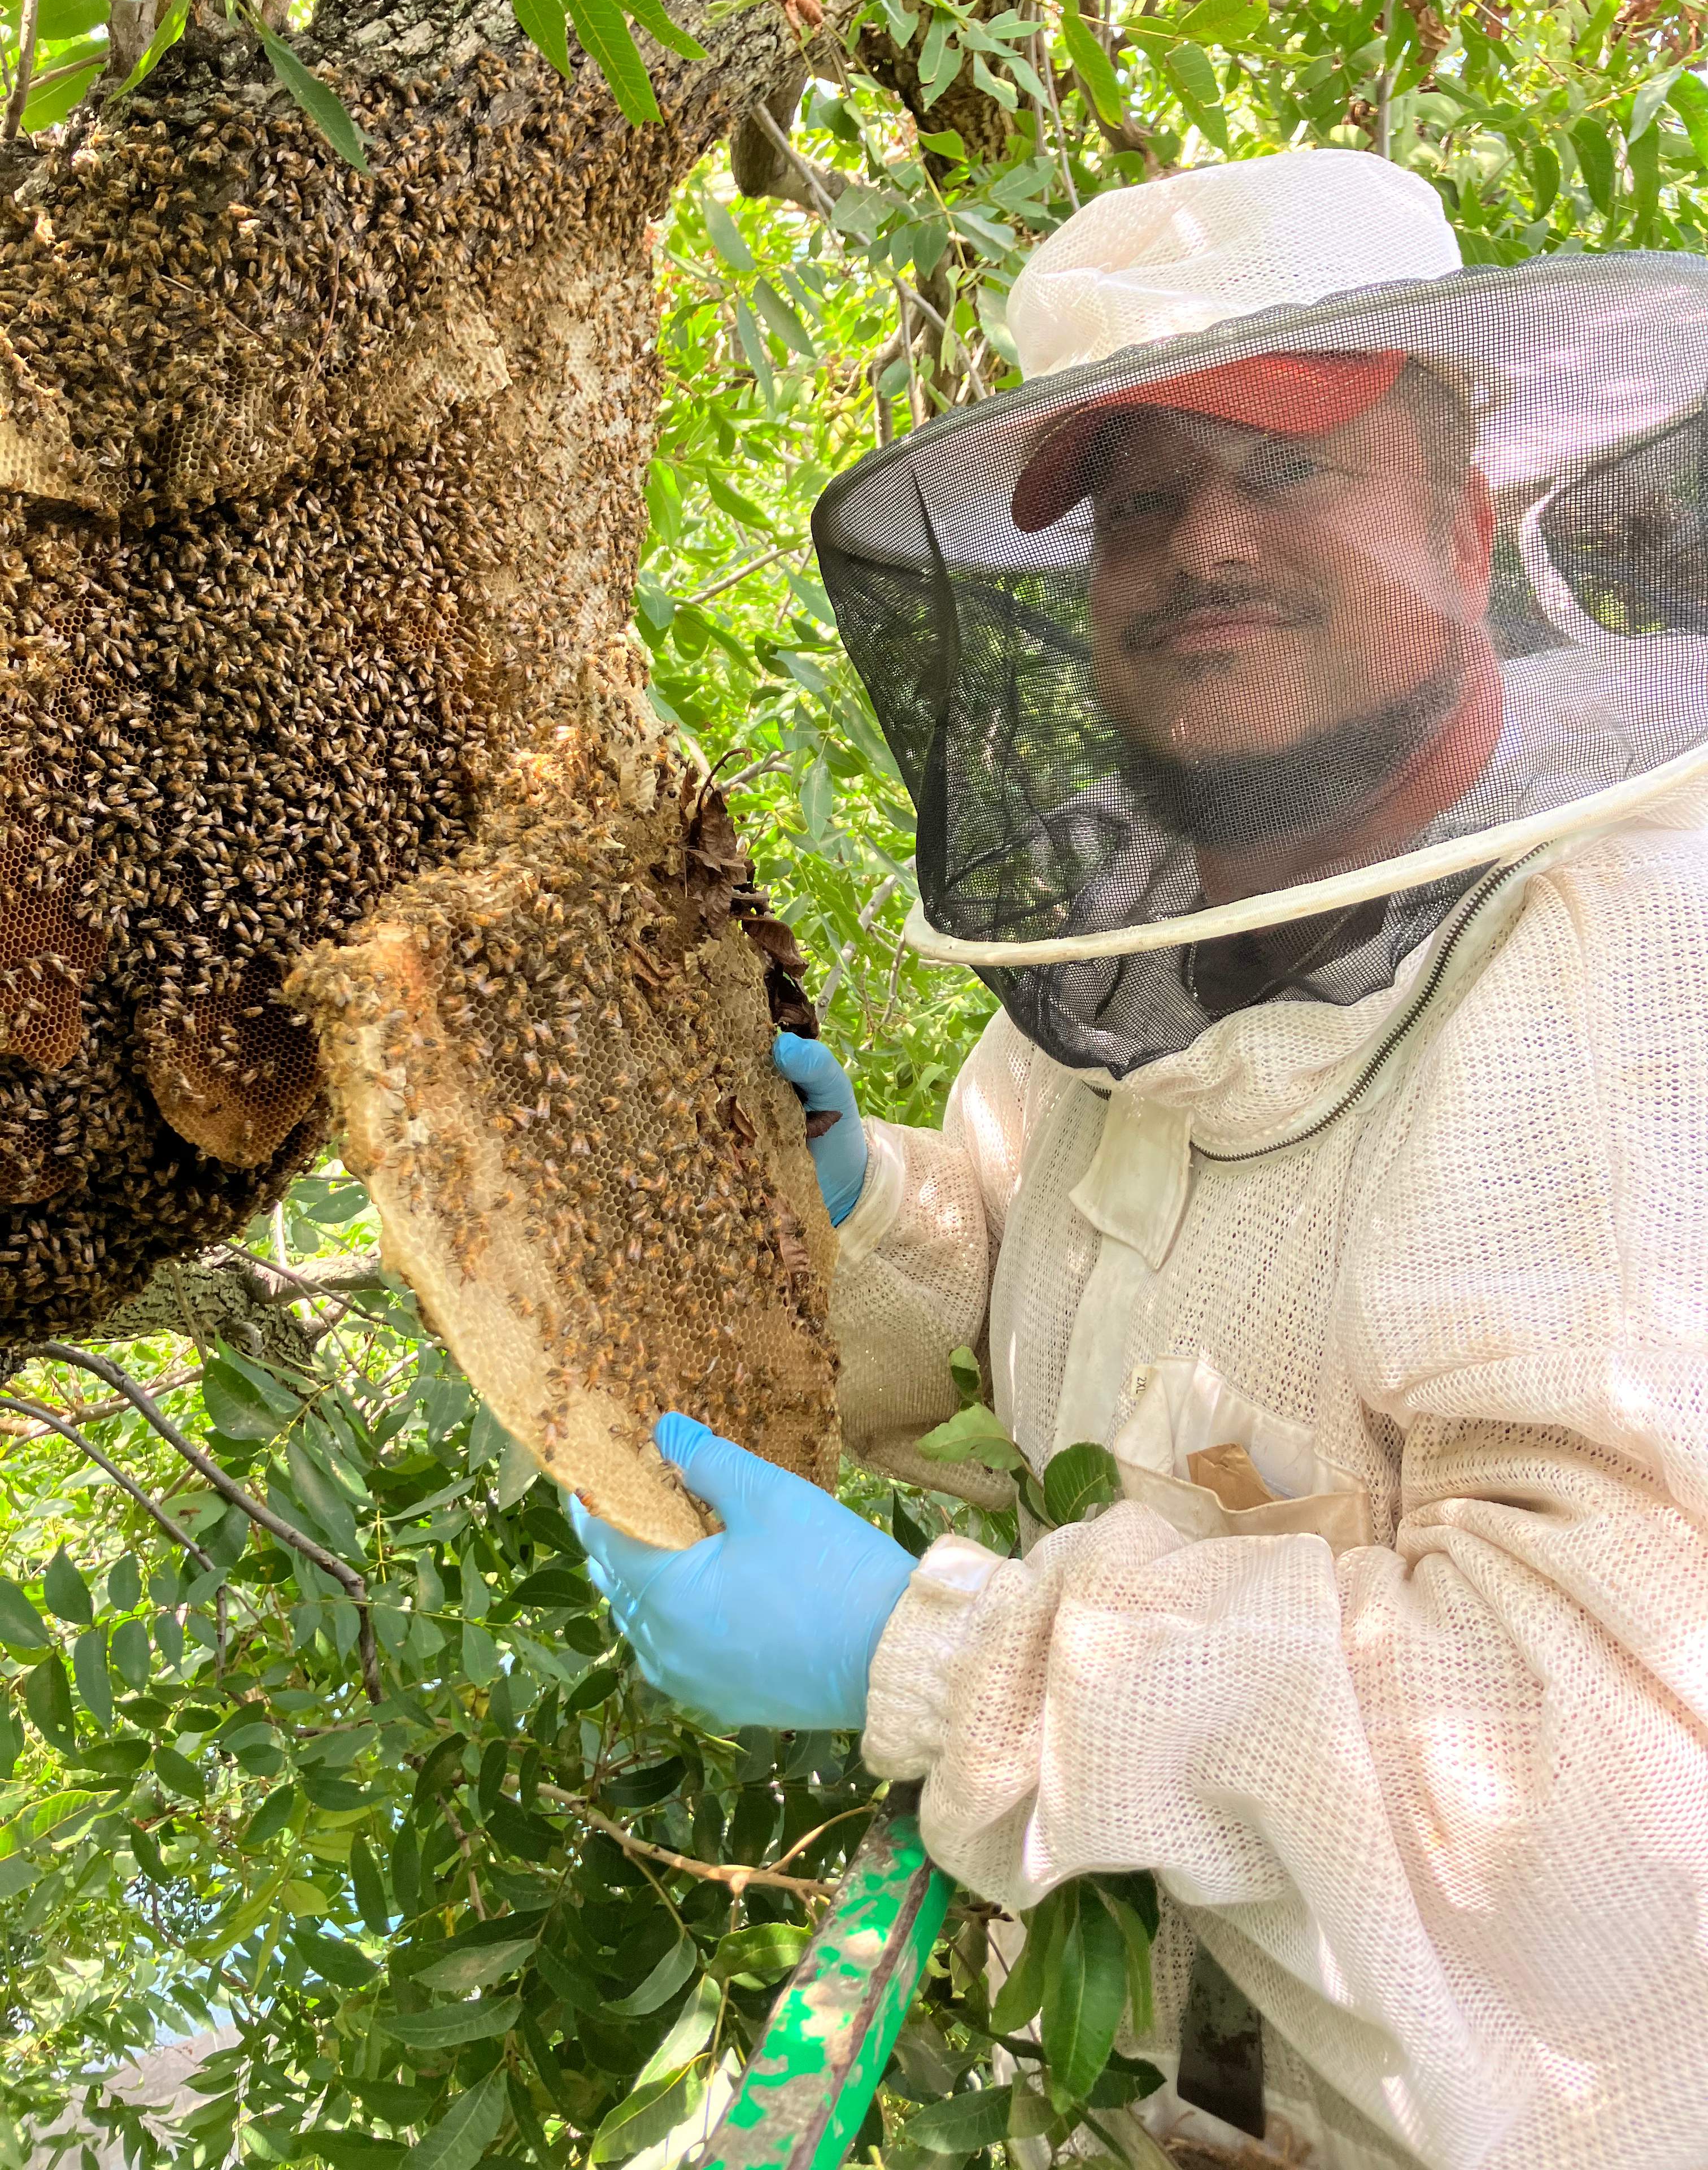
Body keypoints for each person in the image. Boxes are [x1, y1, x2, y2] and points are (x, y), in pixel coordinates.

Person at [570, 150, 1708, 2168]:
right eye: (1140, 502)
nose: (1202, 548)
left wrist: (931, 1656)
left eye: (1283, 469)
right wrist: (849, 1220)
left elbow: (1613, 1784)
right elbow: (1066, 1336)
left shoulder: (1639, 972)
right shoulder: (1125, 982)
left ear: (1466, 515)